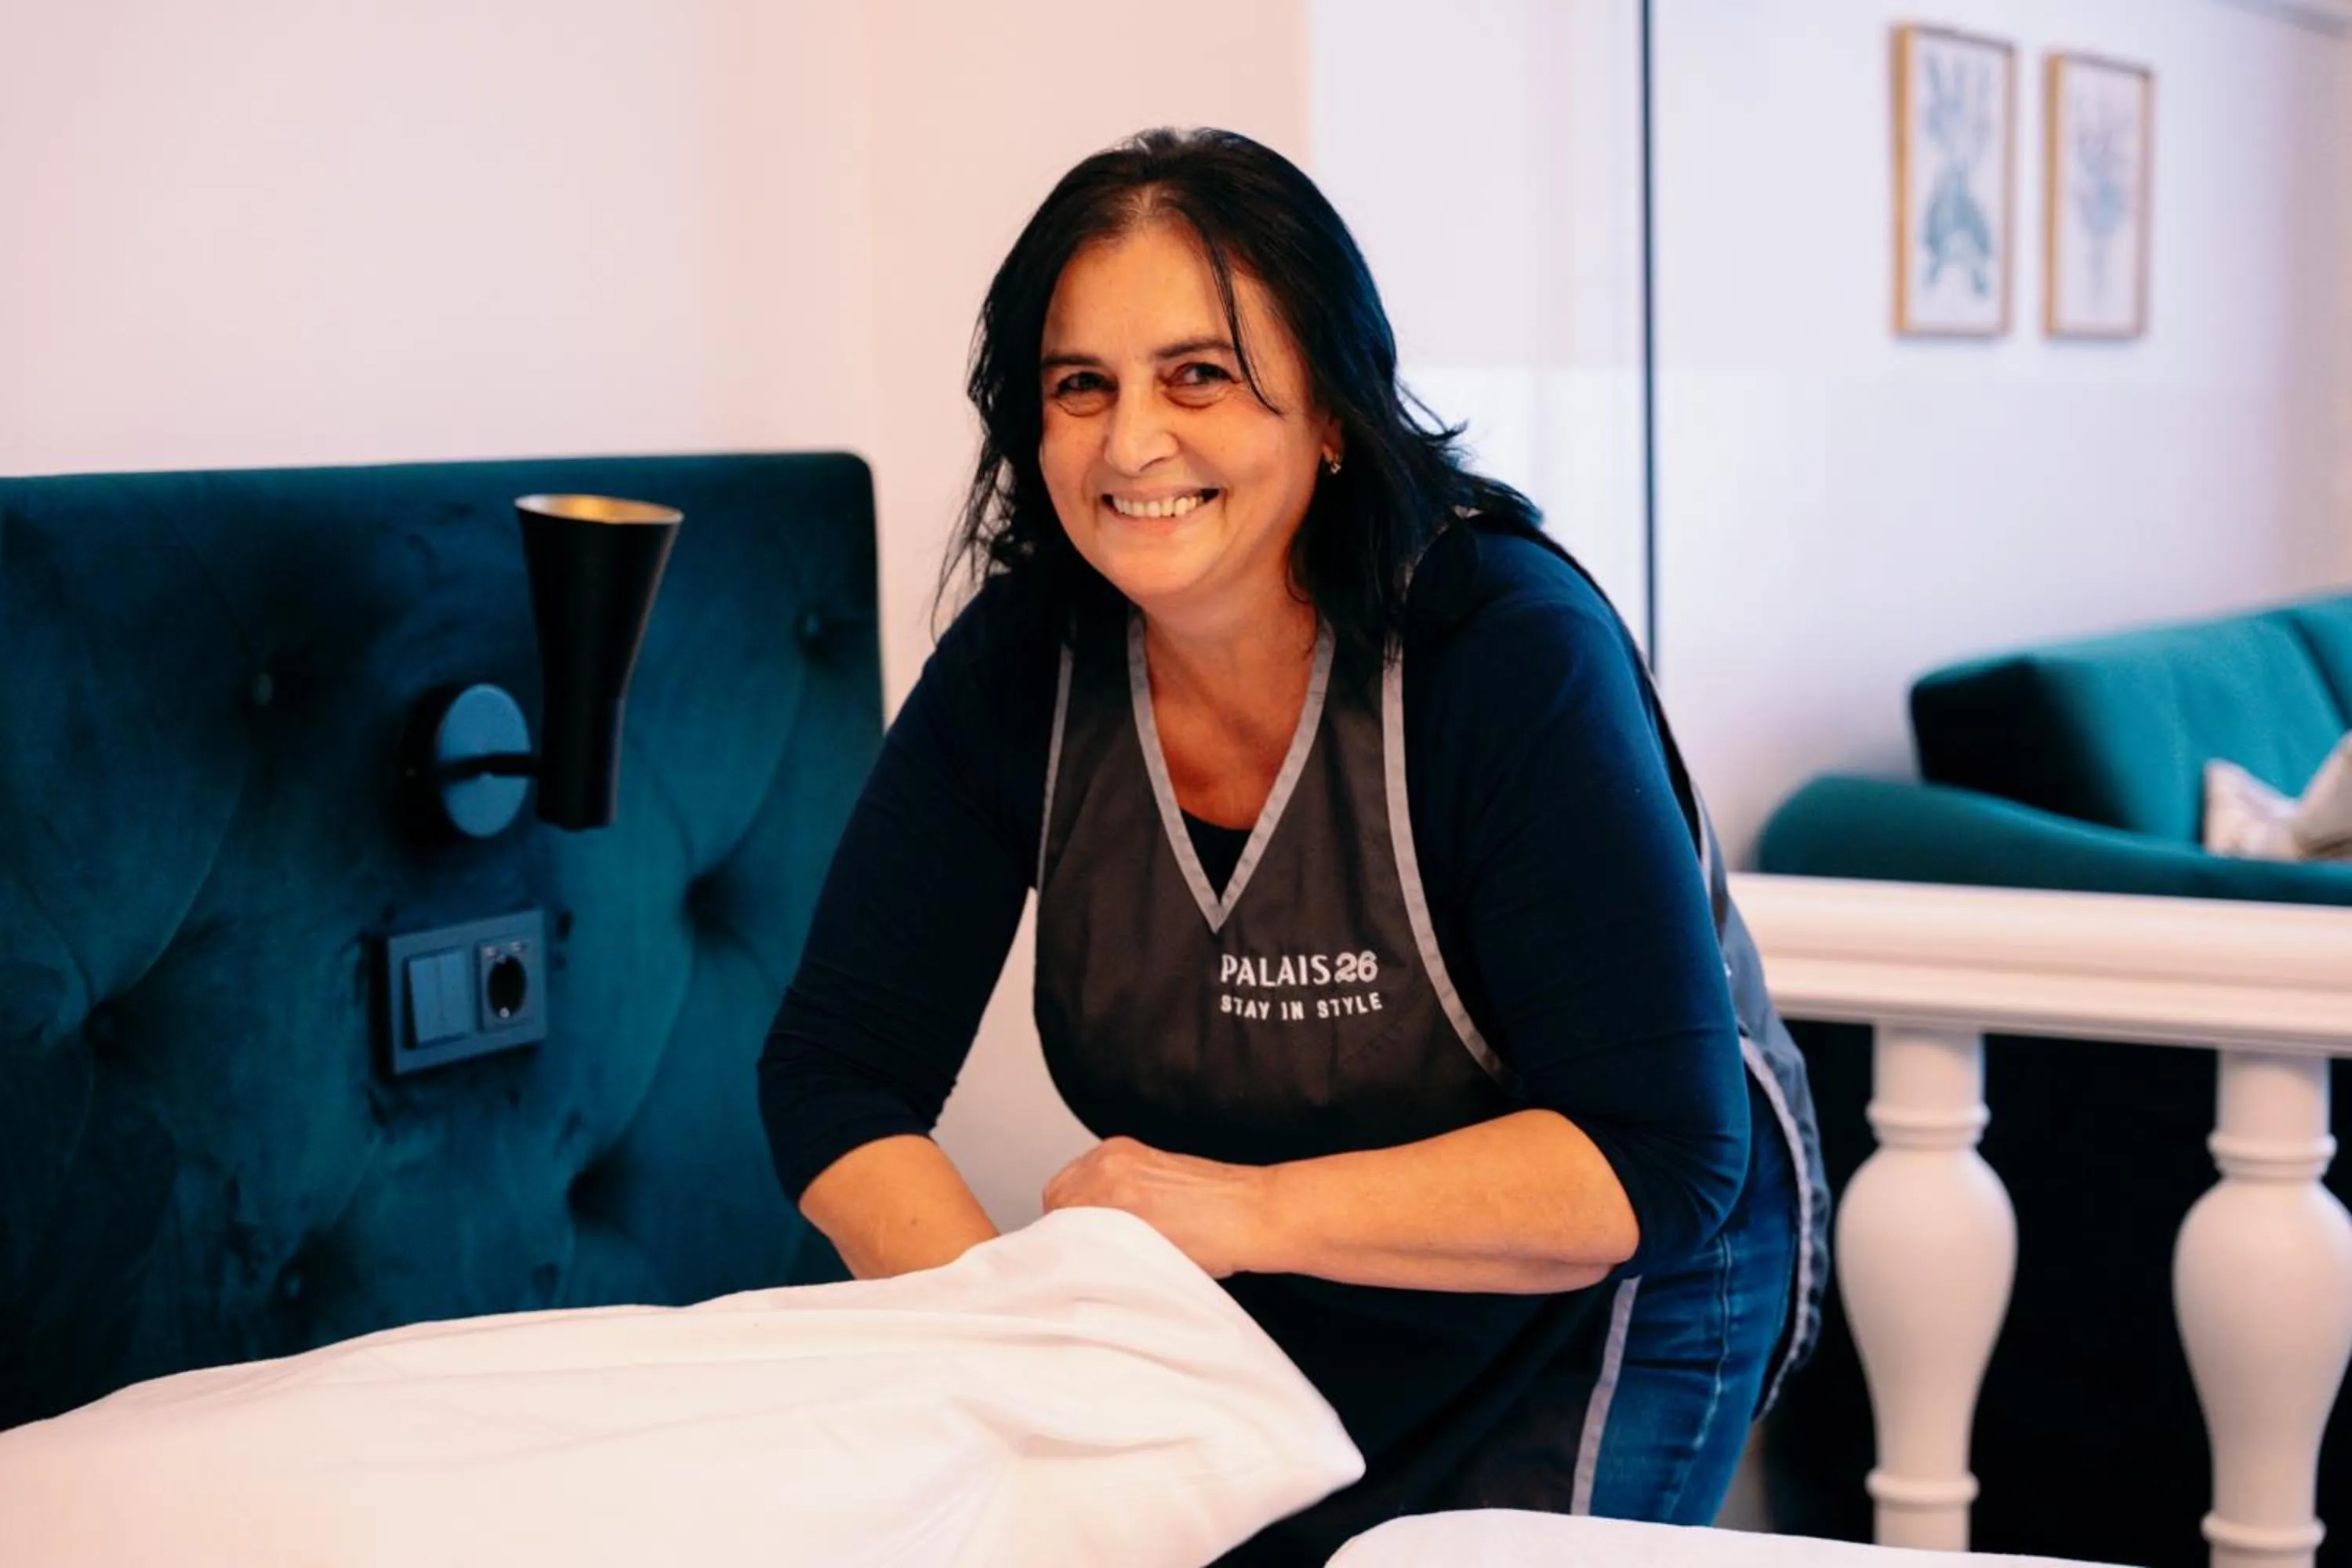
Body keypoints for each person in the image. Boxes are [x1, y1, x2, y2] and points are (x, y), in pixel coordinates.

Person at [760, 127, 1828, 1565]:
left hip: (1616, 1281)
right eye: (1081, 386)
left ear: (1330, 410)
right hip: (1280, 1286)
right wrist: (1013, 1332)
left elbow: (1657, 1155)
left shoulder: (1504, 653)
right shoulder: (1022, 668)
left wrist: (1241, 1210)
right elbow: (836, 1075)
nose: (1132, 442)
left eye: (1198, 375)